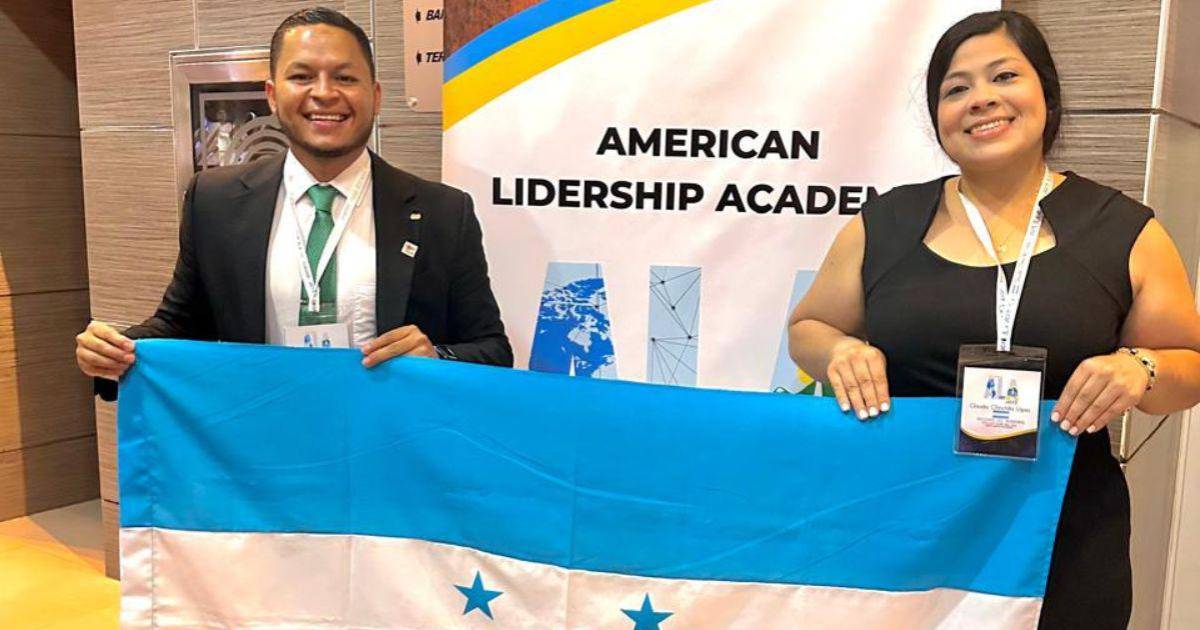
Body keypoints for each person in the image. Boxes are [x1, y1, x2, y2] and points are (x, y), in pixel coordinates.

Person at [788, 10, 1200, 628]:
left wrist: (1139, 369)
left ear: (1046, 95)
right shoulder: (884, 223)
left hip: (1061, 538)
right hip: (903, 528)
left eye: (1004, 76)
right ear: (938, 117)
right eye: (956, 88)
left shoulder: (1124, 229)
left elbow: (1188, 366)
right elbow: (809, 329)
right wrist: (838, 352)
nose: (981, 99)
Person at [76, 7, 512, 400]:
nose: (324, 93)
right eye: (302, 77)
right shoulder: (214, 202)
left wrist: (436, 356)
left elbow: (493, 350)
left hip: (388, 444)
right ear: (272, 94)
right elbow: (179, 324)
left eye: (345, 78)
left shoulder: (442, 212)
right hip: (261, 441)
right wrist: (114, 351)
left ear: (376, 95)